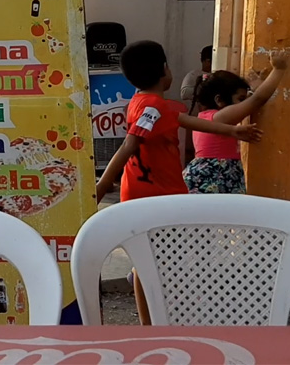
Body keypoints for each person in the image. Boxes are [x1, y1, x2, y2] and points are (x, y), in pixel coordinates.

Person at [94, 40, 262, 326]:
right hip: (156, 197)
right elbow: (129, 145)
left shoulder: (143, 101)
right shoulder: (153, 107)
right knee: (161, 262)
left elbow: (186, 121)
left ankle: (153, 324)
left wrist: (233, 131)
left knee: (146, 263)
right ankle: (159, 322)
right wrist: (99, 189)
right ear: (164, 71)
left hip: (147, 195)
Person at [183, 52, 290, 194]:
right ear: (219, 100)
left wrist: (256, 87)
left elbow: (252, 100)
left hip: (208, 176)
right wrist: (279, 70)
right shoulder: (220, 118)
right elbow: (257, 101)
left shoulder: (205, 117)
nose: (244, 103)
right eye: (240, 99)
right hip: (215, 177)